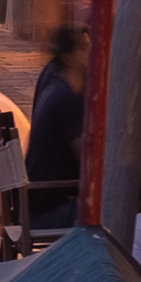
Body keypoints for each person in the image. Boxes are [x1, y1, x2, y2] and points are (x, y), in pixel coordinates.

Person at [29, 25, 89, 229]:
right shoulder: (67, 99)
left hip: (42, 202)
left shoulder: (58, 88)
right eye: (85, 48)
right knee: (126, 212)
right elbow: (88, 160)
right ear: (69, 57)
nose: (94, 52)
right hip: (53, 209)